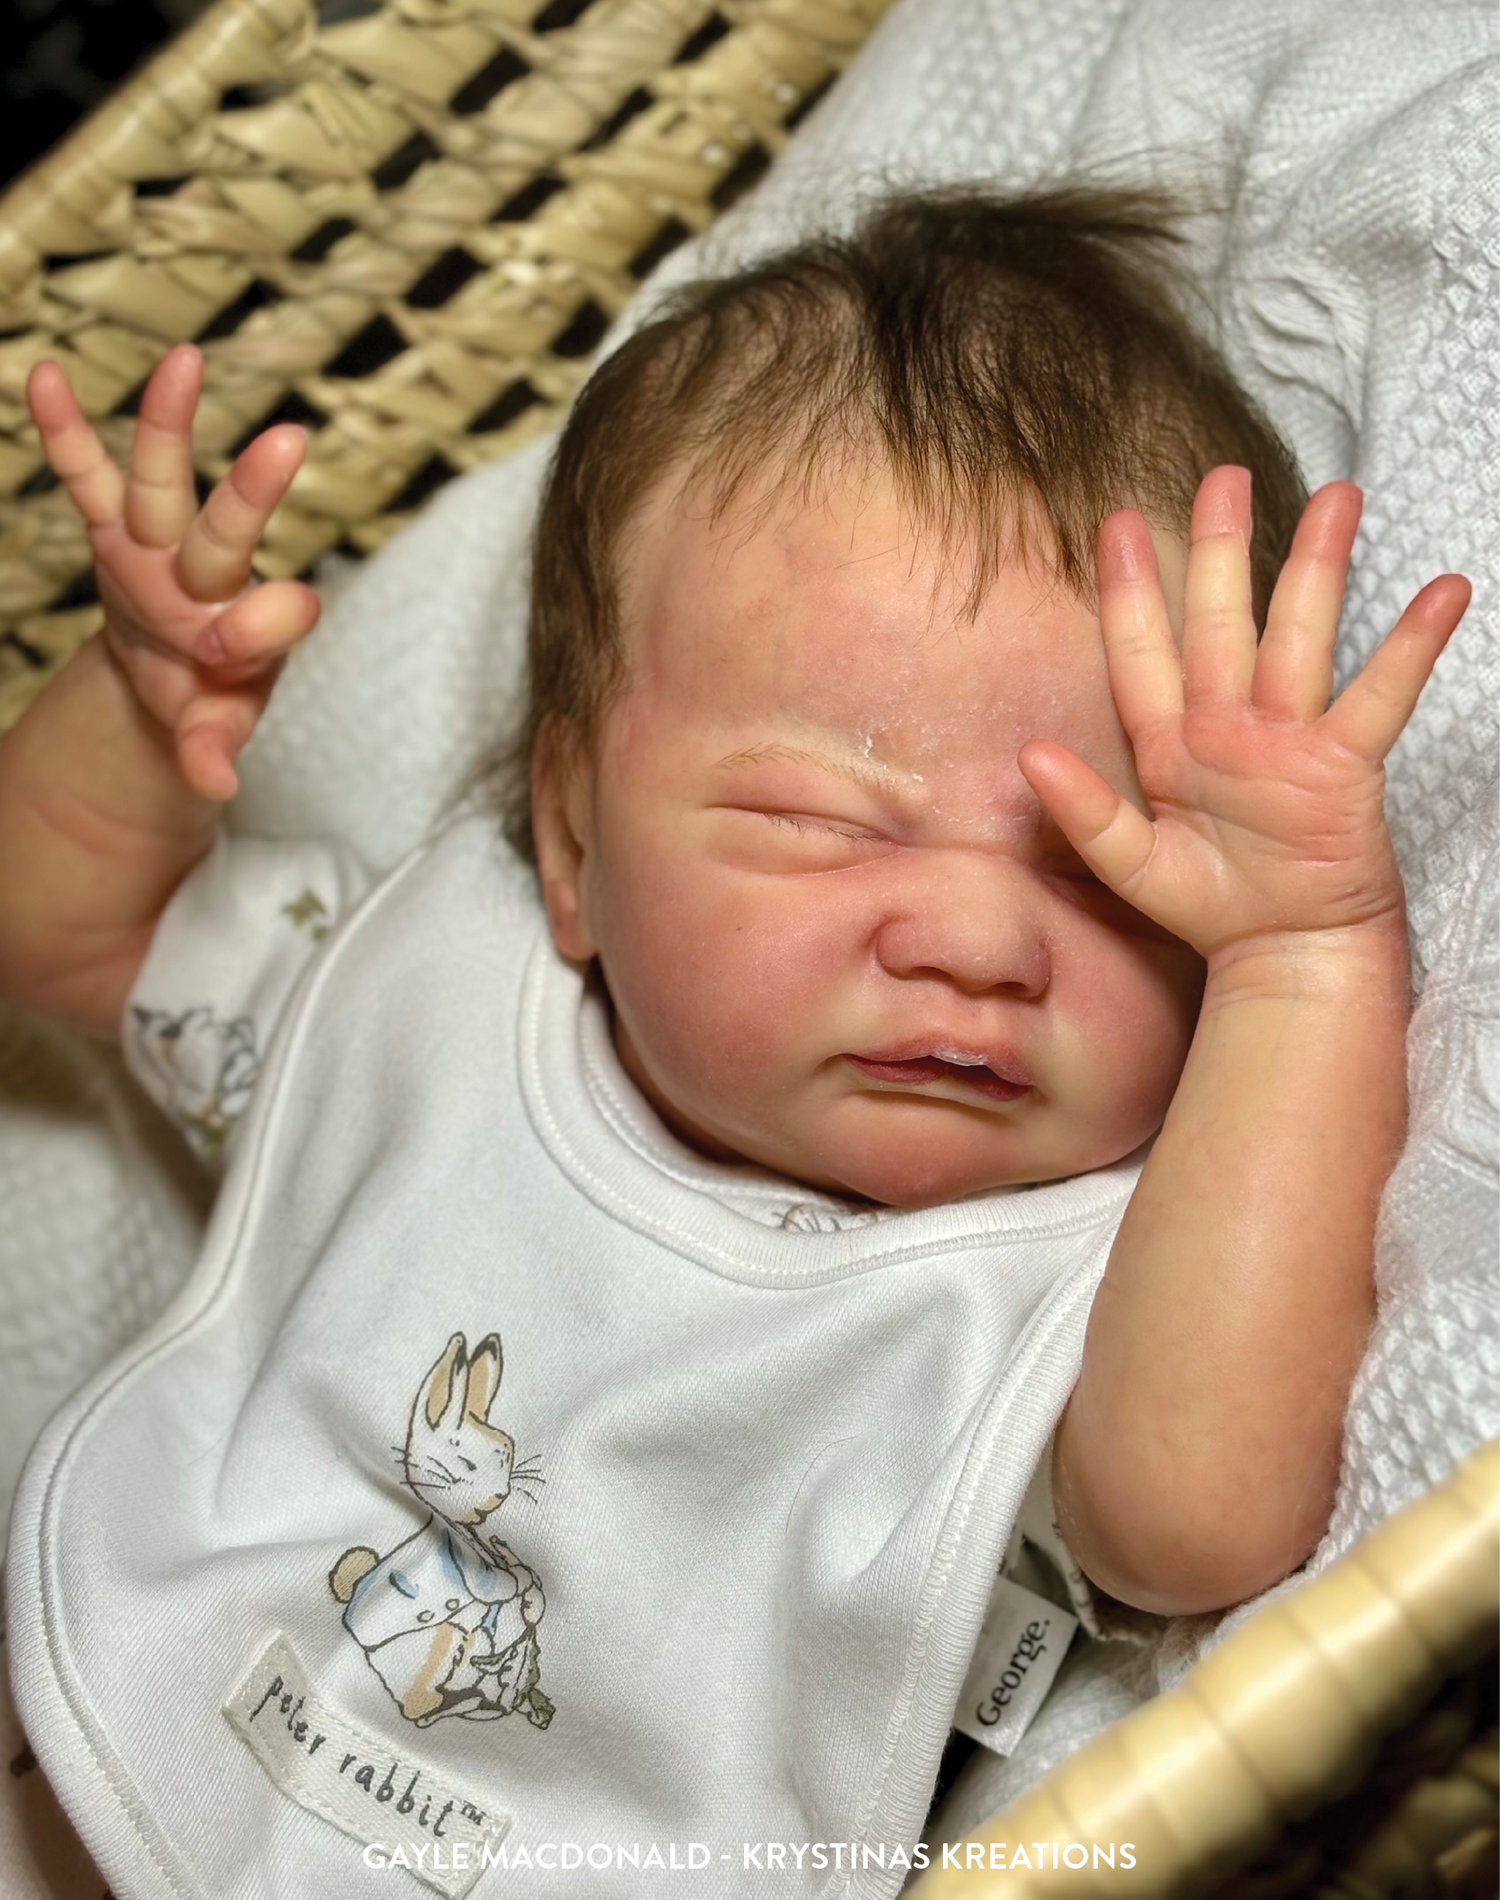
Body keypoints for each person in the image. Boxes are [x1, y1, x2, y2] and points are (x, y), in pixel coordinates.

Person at [0, 189, 1468, 1892]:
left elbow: (1197, 1516)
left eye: (1107, 862)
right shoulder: (429, 996)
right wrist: (134, 707)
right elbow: (62, 927)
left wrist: (1298, 957)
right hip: (88, 1743)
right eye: (817, 821)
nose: (974, 940)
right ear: (570, 840)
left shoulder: (1108, 1284)